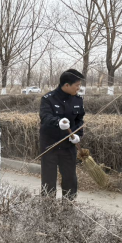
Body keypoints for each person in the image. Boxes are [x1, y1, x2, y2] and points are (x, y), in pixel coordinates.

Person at [39, 69, 85, 199]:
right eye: (77, 85)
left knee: (70, 178)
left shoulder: (78, 100)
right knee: (48, 179)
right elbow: (45, 117)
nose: (78, 88)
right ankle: (48, 206)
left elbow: (79, 120)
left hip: (68, 146)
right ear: (66, 85)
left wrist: (78, 135)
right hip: (50, 145)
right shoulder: (48, 99)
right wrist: (57, 122)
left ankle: (68, 205)